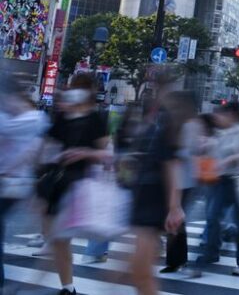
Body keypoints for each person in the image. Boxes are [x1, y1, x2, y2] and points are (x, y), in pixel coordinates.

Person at [40, 73, 111, 295]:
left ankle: (64, 286)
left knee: (60, 237)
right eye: (74, 86)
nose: (76, 91)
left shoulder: (96, 119)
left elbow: (105, 155)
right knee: (55, 239)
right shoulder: (64, 115)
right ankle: (67, 286)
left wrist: (84, 152)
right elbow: (48, 144)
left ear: (90, 91)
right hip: (56, 180)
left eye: (81, 87)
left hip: (79, 184)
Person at [127, 82, 191, 295]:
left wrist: (175, 207)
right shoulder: (152, 123)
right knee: (138, 271)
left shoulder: (166, 125)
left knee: (140, 271)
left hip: (154, 201)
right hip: (144, 197)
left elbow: (172, 166)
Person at [188, 103, 239, 278]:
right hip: (220, 180)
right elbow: (211, 154)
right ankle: (209, 254)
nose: (218, 118)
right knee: (212, 217)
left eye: (222, 115)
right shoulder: (219, 133)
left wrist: (232, 158)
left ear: (232, 115)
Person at [0, 78, 47, 291]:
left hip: (12, 183)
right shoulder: (24, 117)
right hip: (13, 182)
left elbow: (32, 150)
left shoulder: (33, 118)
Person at [162, 107, 210, 274]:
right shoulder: (185, 124)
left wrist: (173, 153)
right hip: (181, 178)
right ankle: (176, 260)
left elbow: (190, 152)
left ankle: (176, 260)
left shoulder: (190, 125)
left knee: (176, 220)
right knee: (176, 220)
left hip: (184, 179)